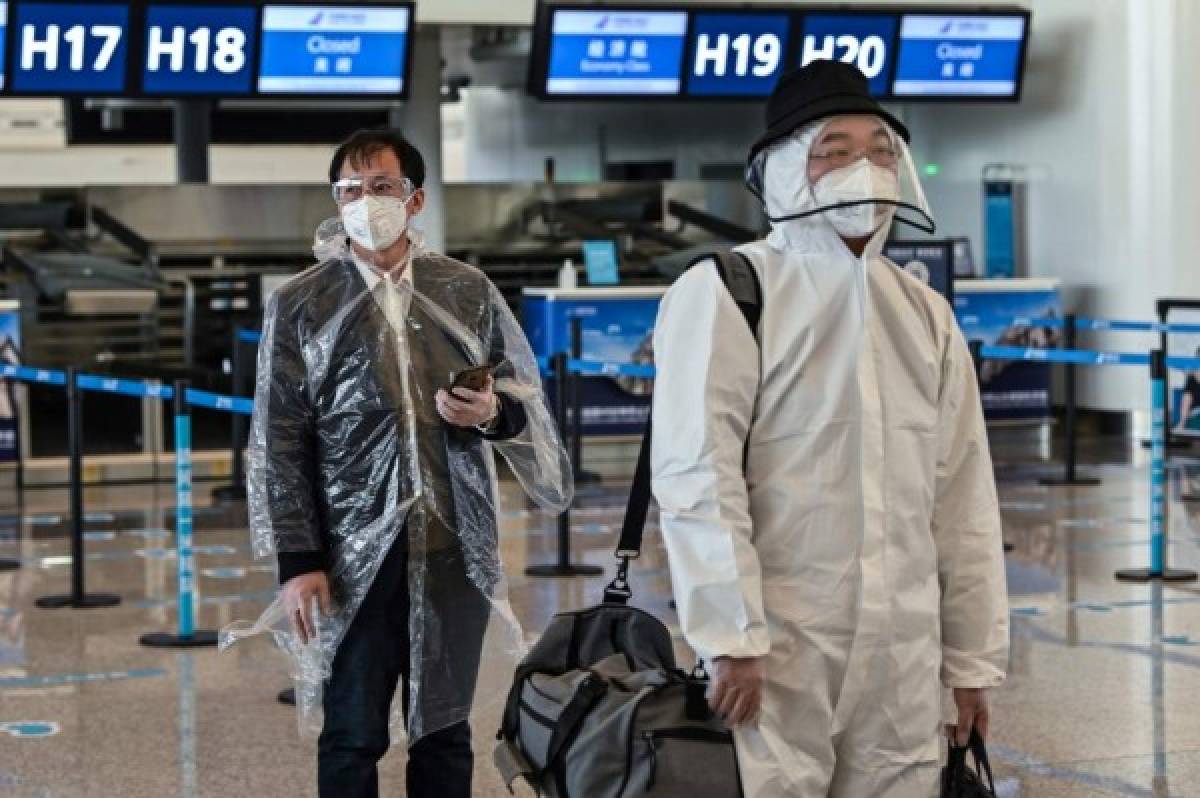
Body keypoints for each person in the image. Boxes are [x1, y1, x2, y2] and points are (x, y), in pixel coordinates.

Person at [651, 61, 1010, 797]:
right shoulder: (728, 291)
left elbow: (964, 497)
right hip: (782, 647)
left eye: (880, 149)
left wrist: (971, 662)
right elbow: (698, 474)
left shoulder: (922, 311)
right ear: (783, 171)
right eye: (834, 150)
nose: (864, 168)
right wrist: (731, 638)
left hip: (902, 656)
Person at [240, 129, 572, 798]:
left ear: (414, 199)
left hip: (453, 547)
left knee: (444, 732)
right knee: (352, 733)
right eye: (351, 190)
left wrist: (487, 414)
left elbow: (517, 400)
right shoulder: (303, 302)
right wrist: (298, 561)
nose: (367, 201)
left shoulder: (464, 289)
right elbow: (279, 438)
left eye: (382, 187)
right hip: (349, 552)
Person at [1174, 347, 1200, 432]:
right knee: (1187, 395)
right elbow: (1183, 368)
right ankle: (1182, 423)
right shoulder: (1193, 369)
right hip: (1193, 399)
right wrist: (1189, 370)